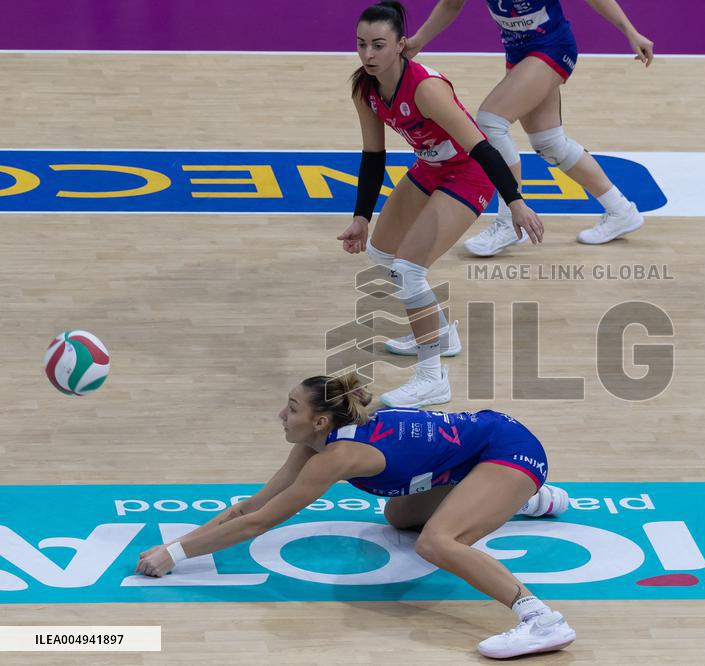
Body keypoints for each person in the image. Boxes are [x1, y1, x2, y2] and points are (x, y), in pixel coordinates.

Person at [135, 372, 576, 659]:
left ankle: (539, 619)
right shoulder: (314, 444)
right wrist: (175, 547)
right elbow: (253, 506)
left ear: (321, 421)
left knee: (436, 542)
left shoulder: (336, 457)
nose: (281, 415)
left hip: (508, 449)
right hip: (468, 461)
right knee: (400, 517)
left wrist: (174, 556)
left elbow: (260, 524)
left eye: (292, 407)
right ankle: (520, 499)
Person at [336, 0, 545, 407]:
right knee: (381, 253)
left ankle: (433, 378)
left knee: (409, 272)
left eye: (378, 45)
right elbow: (373, 156)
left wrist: (515, 201)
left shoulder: (426, 89)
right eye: (361, 44)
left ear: (401, 45)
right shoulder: (365, 88)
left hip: (470, 171)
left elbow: (482, 147)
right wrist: (361, 217)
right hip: (430, 166)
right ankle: (440, 333)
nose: (368, 55)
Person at [404, 0, 654, 258]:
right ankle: (621, 210)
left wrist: (631, 32)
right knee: (549, 141)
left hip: (552, 48)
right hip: (520, 53)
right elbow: (451, 4)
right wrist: (419, 40)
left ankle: (508, 221)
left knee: (491, 121)